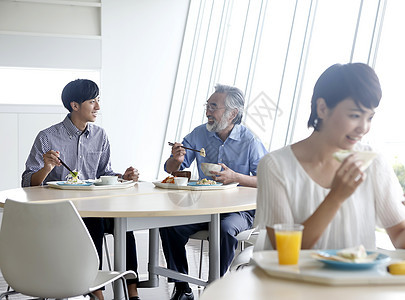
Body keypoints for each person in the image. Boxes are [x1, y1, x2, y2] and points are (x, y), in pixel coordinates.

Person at [254, 63, 405, 251]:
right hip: (293, 280)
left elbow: (401, 239)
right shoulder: (275, 166)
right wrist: (335, 197)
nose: (363, 127)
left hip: (357, 280)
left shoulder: (373, 163)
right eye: (355, 115)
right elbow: (284, 251)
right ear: (323, 108)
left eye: (370, 117)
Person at [22, 79, 141, 300]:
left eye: (98, 100)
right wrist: (47, 167)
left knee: (125, 222)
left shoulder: (100, 136)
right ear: (75, 105)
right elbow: (29, 182)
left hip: (93, 207)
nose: (97, 106)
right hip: (60, 213)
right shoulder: (47, 137)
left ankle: (131, 292)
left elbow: (105, 172)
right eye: (92, 101)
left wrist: (122, 177)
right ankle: (96, 291)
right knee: (92, 221)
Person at [160, 84, 267, 300]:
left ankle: (216, 288)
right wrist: (176, 159)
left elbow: (267, 180)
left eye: (213, 106)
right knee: (169, 225)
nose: (207, 111)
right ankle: (182, 287)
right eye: (207, 106)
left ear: (233, 113)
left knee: (226, 229)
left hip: (240, 212)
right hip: (203, 206)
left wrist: (236, 177)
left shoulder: (251, 141)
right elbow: (171, 170)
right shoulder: (200, 134)